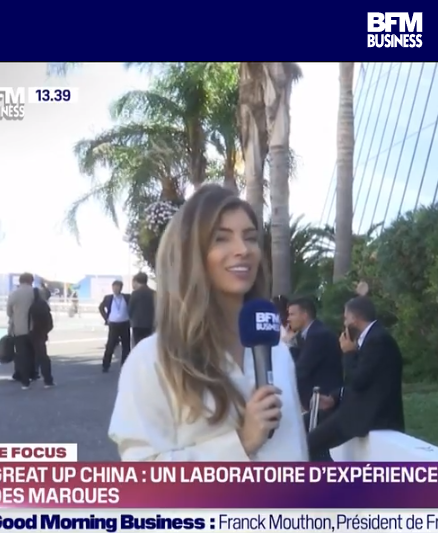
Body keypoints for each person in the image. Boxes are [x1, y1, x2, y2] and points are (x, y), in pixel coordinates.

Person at [109, 184, 308, 461]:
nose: (243, 249)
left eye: (250, 238)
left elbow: (296, 449)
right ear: (190, 254)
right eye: (221, 238)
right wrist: (242, 443)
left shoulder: (278, 352)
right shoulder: (152, 360)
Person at [308, 296, 404, 459]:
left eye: (346, 318)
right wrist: (334, 397)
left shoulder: (378, 340)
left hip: (370, 415)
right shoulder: (371, 337)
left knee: (310, 444)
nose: (344, 323)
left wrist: (348, 354)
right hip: (355, 409)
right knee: (308, 426)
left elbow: (358, 381)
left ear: (355, 318)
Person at [287, 297, 343, 411]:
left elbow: (301, 369)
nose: (288, 319)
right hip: (315, 400)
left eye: (292, 314)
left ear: (304, 315)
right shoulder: (306, 335)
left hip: (324, 400)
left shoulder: (317, 335)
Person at [7, 273, 39, 388]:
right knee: (34, 352)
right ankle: (34, 373)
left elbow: (9, 312)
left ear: (20, 281)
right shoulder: (36, 293)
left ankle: (24, 379)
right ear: (31, 281)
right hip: (35, 328)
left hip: (19, 328)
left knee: (21, 354)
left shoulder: (14, 294)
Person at [99, 280, 131, 372]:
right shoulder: (108, 298)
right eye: (114, 287)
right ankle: (106, 365)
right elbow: (101, 307)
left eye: (118, 287)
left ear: (121, 288)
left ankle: (124, 365)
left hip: (125, 323)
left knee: (126, 346)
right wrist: (106, 318)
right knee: (110, 345)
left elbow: (133, 307)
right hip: (113, 324)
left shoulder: (127, 297)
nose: (116, 289)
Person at [128, 272, 155, 347]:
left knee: (138, 345)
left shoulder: (135, 293)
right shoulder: (153, 293)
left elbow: (130, 309)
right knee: (149, 345)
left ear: (136, 281)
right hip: (150, 324)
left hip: (138, 325)